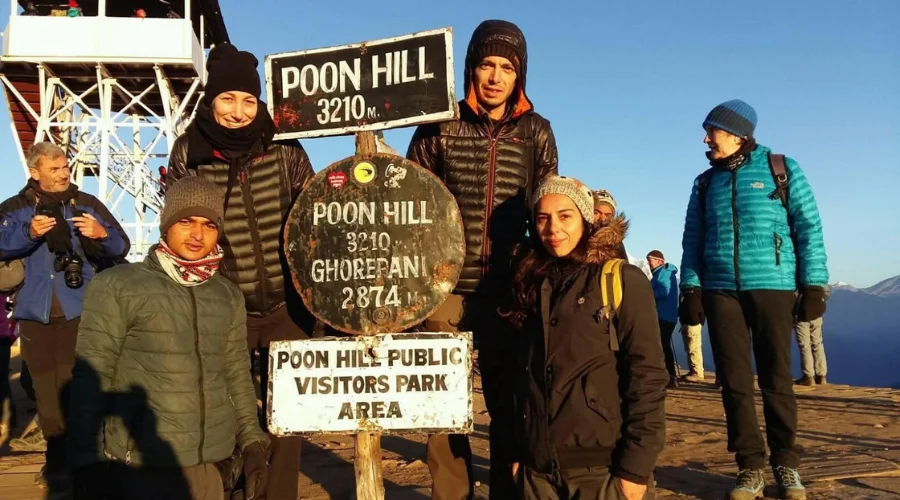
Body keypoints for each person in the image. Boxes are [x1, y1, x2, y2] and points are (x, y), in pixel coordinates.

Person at [406, 19, 558, 499]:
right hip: (442, 287)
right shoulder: (438, 122)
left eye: (506, 68)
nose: (495, 77)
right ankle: (452, 493)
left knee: (510, 401)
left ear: (520, 75)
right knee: (442, 405)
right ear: (471, 68)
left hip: (508, 288)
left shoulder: (537, 131)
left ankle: (507, 494)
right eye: (486, 65)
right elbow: (413, 197)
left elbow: (547, 202)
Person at [167, 43, 314, 500]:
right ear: (211, 101)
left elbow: (311, 215)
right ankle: (234, 488)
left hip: (289, 306)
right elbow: (175, 231)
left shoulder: (285, 148)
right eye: (227, 99)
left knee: (286, 415)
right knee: (226, 411)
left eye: (248, 100)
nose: (237, 111)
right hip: (223, 306)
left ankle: (279, 494)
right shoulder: (188, 152)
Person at [68, 177, 270, 500]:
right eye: (186, 221)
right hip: (142, 468)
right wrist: (85, 460)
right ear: (166, 224)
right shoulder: (118, 286)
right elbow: (91, 377)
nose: (197, 234)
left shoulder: (227, 295)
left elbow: (237, 376)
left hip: (212, 469)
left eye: (209, 224)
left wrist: (252, 443)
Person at [679, 99, 828, 500]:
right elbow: (693, 239)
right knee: (734, 383)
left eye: (713, 131)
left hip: (773, 286)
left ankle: (787, 464)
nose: (706, 139)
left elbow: (808, 227)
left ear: (738, 134)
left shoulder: (782, 168)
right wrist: (690, 288)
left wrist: (814, 284)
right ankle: (750, 467)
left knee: (778, 379)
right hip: (720, 290)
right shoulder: (705, 182)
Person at [502, 175, 667, 500]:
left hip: (601, 473)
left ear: (586, 219)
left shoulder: (620, 279)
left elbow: (647, 376)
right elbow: (517, 377)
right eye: (542, 218)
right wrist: (517, 454)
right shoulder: (529, 282)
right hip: (536, 474)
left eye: (565, 216)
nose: (552, 229)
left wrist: (635, 469)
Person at [0, 142, 129, 488]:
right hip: (33, 311)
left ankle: (82, 461)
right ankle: (56, 460)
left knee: (76, 387)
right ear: (34, 171)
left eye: (65, 168)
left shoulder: (86, 204)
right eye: (54, 169)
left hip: (80, 307)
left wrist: (102, 235)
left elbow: (121, 245)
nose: (62, 174)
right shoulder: (14, 208)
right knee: (44, 391)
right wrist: (28, 233)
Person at [647, 250, 679, 388]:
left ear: (660, 261)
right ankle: (669, 376)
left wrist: (646, 293)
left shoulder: (662, 273)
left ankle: (669, 376)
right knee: (662, 345)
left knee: (662, 345)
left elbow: (664, 292)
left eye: (651, 259)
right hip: (667, 315)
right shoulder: (662, 274)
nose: (648, 262)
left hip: (663, 315)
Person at [794, 287, 829, 386]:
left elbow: (793, 294)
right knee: (817, 343)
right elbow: (826, 293)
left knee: (805, 345)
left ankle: (808, 376)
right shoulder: (820, 278)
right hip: (817, 313)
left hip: (802, 314)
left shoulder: (800, 277)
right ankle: (821, 375)